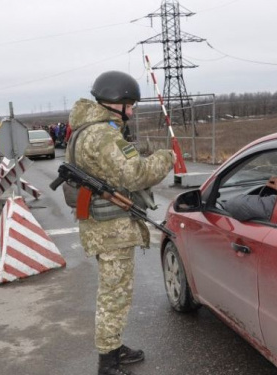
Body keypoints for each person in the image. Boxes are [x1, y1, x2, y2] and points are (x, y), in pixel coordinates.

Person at [66, 71, 175, 375]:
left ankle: (113, 347)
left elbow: (114, 169)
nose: (132, 110)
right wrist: (165, 158)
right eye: (130, 105)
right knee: (115, 295)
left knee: (116, 292)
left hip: (105, 227)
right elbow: (135, 175)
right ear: (116, 102)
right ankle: (108, 363)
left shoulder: (87, 129)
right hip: (111, 229)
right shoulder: (102, 134)